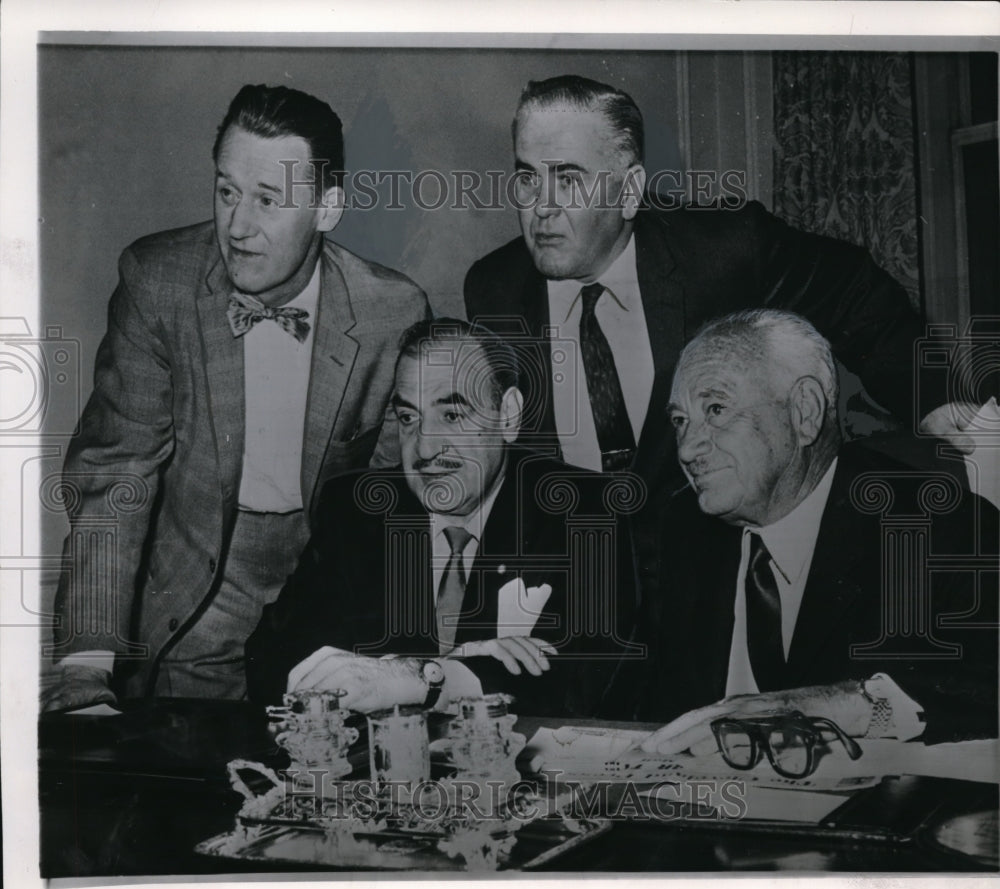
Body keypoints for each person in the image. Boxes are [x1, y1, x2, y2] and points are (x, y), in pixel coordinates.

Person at [44, 84, 429, 710]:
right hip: (192, 614)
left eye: (268, 201)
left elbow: (393, 509)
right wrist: (86, 664)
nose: (238, 227)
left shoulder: (393, 310)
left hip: (330, 619)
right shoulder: (158, 281)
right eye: (227, 192)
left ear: (328, 208)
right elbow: (115, 476)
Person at [464, 74, 960, 484]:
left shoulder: (723, 252)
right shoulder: (493, 289)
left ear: (631, 189)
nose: (541, 207)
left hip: (707, 562)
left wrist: (937, 402)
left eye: (568, 180)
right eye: (527, 177)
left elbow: (855, 292)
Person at [634, 310, 997, 758]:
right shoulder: (683, 526)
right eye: (679, 421)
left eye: (716, 410)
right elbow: (650, 700)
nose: (688, 449)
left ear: (804, 411)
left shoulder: (936, 526)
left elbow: (983, 689)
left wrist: (843, 705)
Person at [245, 318, 640, 717]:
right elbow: (271, 661)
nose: (425, 447)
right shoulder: (356, 511)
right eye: (408, 418)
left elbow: (581, 683)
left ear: (508, 415)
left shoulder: (585, 510)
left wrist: (419, 678)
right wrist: (427, 671)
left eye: (452, 415)